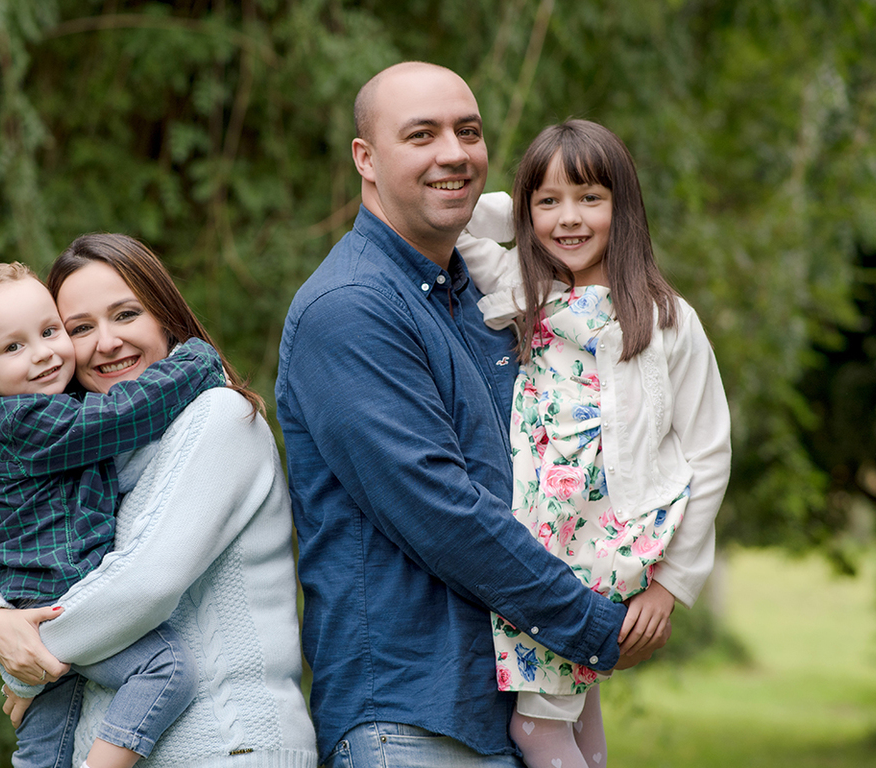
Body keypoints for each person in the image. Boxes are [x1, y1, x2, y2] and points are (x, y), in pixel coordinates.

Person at [275, 62, 652, 768]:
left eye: (468, 131)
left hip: (511, 712)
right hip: (413, 721)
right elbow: (442, 511)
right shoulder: (351, 308)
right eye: (421, 134)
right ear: (366, 158)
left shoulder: (477, 299)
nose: (454, 152)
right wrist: (598, 625)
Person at [0, 234, 318, 768]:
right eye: (80, 328)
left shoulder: (219, 419)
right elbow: (34, 558)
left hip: (227, 747)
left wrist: (24, 660)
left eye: (126, 314)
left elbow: (140, 584)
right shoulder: (88, 450)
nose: (105, 342)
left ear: (165, 317)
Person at [455, 119, 731, 768]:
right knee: (564, 723)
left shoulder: (667, 319)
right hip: (542, 550)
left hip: (620, 552)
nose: (568, 219)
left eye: (589, 198)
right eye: (548, 202)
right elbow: (459, 220)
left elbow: (709, 452)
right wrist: (518, 209)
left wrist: (671, 585)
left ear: (623, 207)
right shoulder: (526, 294)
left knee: (541, 726)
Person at [0, 261, 227, 768]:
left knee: (43, 747)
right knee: (165, 669)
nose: (43, 353)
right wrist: (198, 359)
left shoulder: (54, 407)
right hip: (61, 595)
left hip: (41, 595)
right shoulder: (24, 421)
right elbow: (123, 413)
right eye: (13, 347)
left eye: (50, 331)